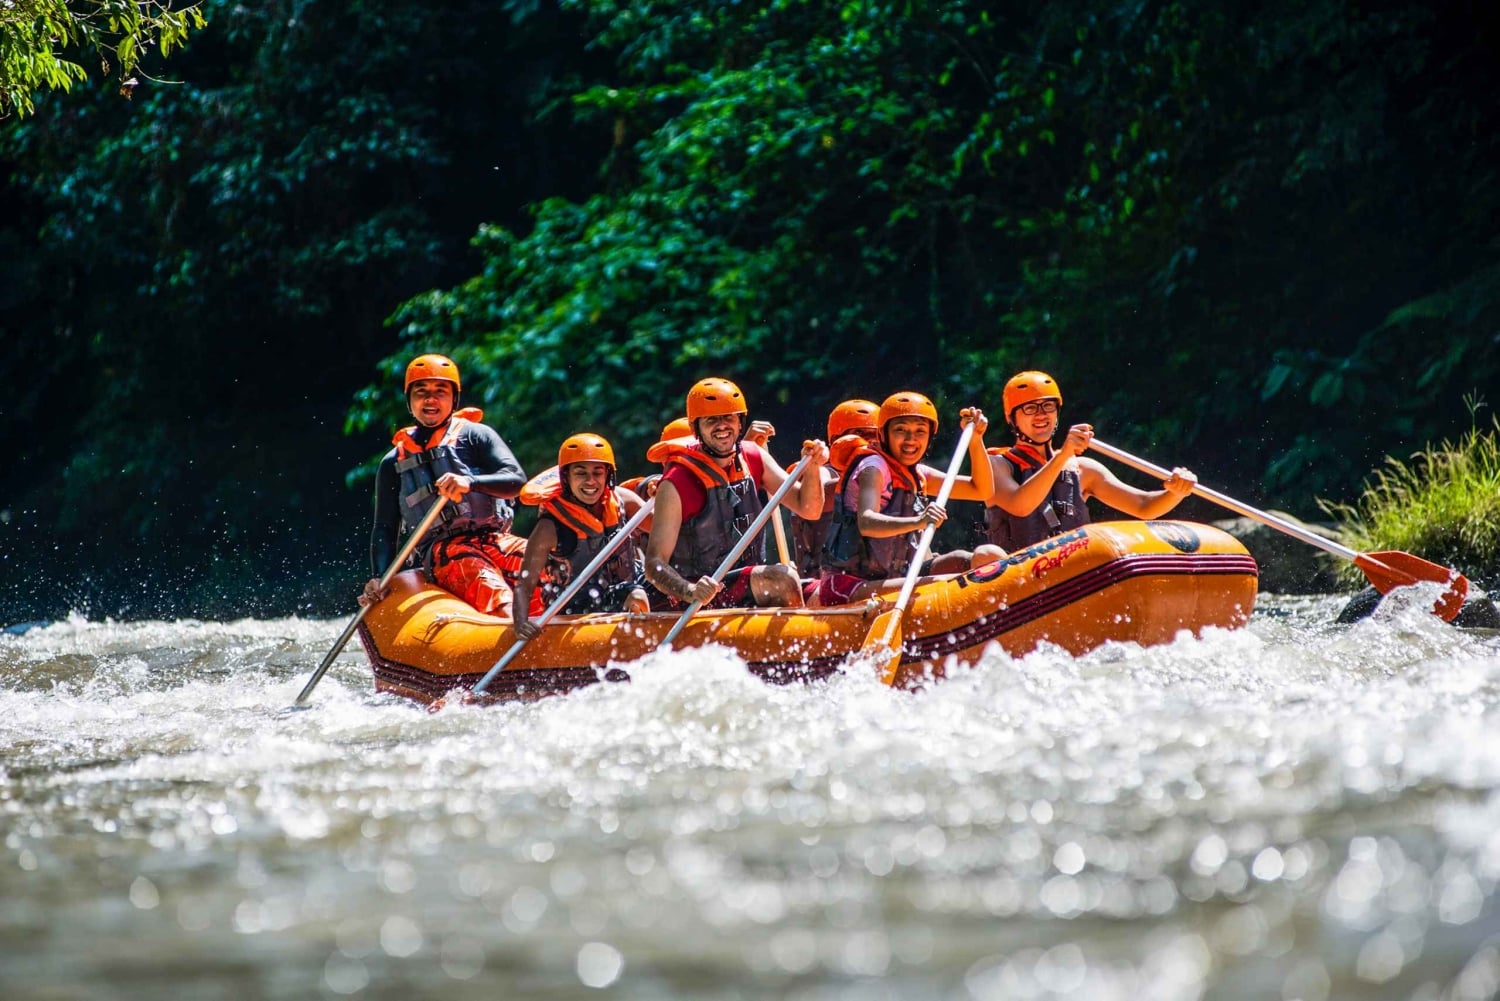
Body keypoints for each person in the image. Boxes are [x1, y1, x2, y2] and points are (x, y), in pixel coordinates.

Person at [359, 354, 528, 614]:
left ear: (454, 399)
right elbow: (384, 528)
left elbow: (516, 481)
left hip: (494, 539)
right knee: (483, 580)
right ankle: (508, 622)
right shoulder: (393, 463)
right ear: (410, 401)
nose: (431, 399)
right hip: (443, 551)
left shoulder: (476, 436)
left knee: (547, 566)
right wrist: (379, 576)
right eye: (421, 392)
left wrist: (470, 482)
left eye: (440, 391)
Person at [643, 377, 829, 610]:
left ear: (740, 423)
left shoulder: (753, 456)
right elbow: (654, 564)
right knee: (782, 579)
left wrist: (812, 467)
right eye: (712, 420)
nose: (722, 426)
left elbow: (809, 509)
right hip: (703, 594)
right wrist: (689, 591)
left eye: (729, 417)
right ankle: (802, 642)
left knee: (824, 592)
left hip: (748, 583)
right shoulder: (676, 482)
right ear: (695, 428)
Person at [818, 393, 1006, 606]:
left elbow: (981, 490)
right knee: (955, 584)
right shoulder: (872, 467)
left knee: (986, 557)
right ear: (883, 434)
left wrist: (976, 440)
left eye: (920, 431)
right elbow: (867, 522)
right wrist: (919, 521)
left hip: (896, 575)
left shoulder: (918, 474)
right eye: (901, 430)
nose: (911, 439)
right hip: (849, 584)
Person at [984, 370, 1198, 550]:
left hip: (1069, 571)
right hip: (1016, 577)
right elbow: (1020, 506)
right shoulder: (996, 466)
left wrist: (1174, 493)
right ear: (1012, 418)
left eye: (1048, 406)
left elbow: (1143, 506)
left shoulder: (1082, 470)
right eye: (1030, 408)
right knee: (987, 554)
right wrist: (1064, 455)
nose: (1041, 415)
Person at [512, 434, 650, 639]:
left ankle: (642, 642)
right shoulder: (548, 528)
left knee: (638, 595)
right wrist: (520, 622)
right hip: (574, 605)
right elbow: (525, 583)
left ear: (608, 476)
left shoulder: (624, 501)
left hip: (625, 588)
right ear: (566, 477)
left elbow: (666, 528)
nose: (590, 481)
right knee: (636, 595)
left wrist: (658, 489)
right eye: (581, 473)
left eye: (597, 472)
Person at [790, 399, 879, 577]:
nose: (869, 442)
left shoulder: (883, 472)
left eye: (874, 435)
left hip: (873, 574)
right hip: (824, 580)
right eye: (860, 434)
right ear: (837, 440)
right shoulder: (822, 473)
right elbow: (821, 490)